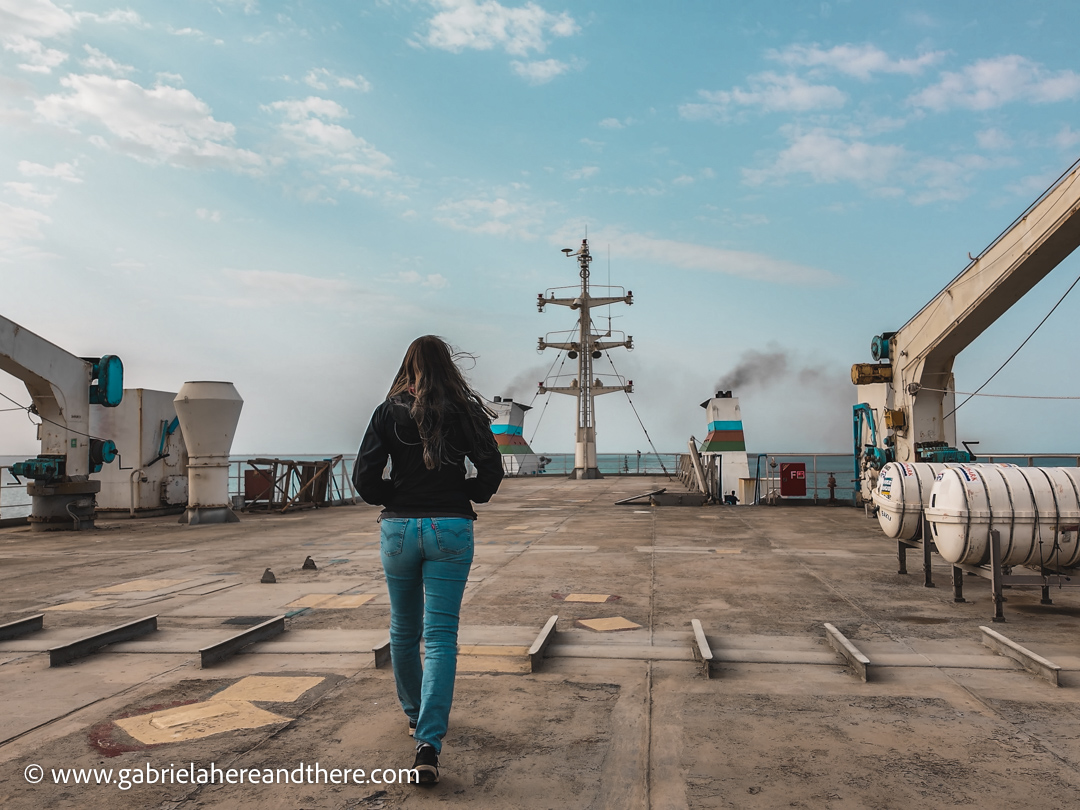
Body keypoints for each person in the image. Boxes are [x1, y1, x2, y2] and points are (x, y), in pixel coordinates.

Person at [352, 336, 503, 785]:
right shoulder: (466, 412)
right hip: (451, 529)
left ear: (407, 366)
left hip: (398, 529)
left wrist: (395, 495)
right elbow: (491, 472)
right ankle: (428, 743)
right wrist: (462, 492)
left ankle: (415, 716)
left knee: (403, 631)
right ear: (448, 366)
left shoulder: (387, 411)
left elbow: (364, 478)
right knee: (440, 637)